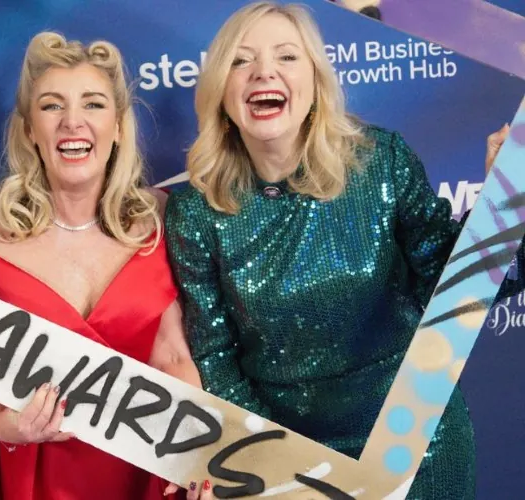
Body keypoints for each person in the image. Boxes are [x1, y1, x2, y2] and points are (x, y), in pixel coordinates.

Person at [164, 2, 524, 499]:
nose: (263, 70)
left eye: (286, 57)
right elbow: (215, 358)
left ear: (315, 83)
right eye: (241, 60)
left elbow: (459, 289)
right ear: (220, 93)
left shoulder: (382, 162)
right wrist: (277, 467)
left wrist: (504, 207)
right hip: (290, 458)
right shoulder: (196, 213)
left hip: (417, 438)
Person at [0, 32, 201, 500]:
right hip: (36, 469)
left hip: (144, 468)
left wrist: (192, 454)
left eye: (94, 104)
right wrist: (3, 424)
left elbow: (174, 355)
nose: (72, 122)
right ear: (28, 130)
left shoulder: (161, 221)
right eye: (51, 106)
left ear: (119, 126)